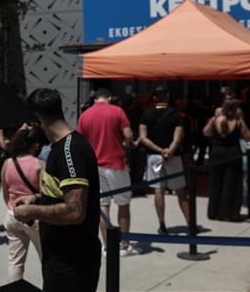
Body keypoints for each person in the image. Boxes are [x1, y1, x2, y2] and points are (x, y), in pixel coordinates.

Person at [14, 88, 101, 292]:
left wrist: (32, 211)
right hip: (59, 259)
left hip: (71, 265)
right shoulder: (61, 148)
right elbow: (62, 195)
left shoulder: (70, 151)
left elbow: (75, 210)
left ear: (36, 120)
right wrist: (37, 199)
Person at [76, 87, 138, 257]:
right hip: (116, 164)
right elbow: (128, 136)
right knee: (123, 204)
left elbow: (79, 141)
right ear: (109, 98)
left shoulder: (85, 115)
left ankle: (107, 246)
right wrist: (129, 143)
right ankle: (124, 245)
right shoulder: (117, 111)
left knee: (103, 206)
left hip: (95, 166)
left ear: (95, 99)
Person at [138, 87, 189, 234]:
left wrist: (160, 150)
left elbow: (143, 137)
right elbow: (178, 138)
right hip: (173, 156)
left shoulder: (146, 115)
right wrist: (168, 152)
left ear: (154, 98)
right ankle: (190, 224)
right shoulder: (176, 115)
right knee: (180, 191)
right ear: (167, 97)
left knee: (158, 190)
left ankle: (162, 224)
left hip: (154, 156)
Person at [1, 128, 44, 282]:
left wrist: (12, 207)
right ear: (31, 145)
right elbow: (45, 194)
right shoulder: (39, 165)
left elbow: (5, 193)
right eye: (36, 143)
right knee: (46, 259)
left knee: (15, 263)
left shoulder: (7, 163)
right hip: (34, 217)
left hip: (13, 215)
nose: (38, 145)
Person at [203, 97, 250, 221]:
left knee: (215, 183)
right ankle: (229, 213)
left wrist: (213, 120)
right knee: (231, 184)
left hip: (217, 153)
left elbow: (206, 132)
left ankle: (214, 212)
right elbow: (249, 137)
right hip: (233, 154)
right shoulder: (237, 121)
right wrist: (241, 119)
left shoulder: (216, 119)